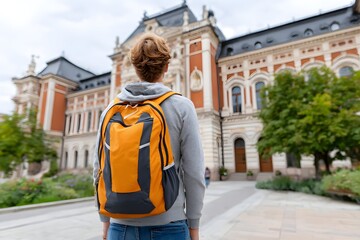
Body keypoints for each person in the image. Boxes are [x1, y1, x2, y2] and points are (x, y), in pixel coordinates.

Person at [93, 32, 205, 240]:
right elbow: (194, 174)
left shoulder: (110, 110)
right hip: (169, 224)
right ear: (166, 67)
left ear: (135, 68)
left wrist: (105, 224)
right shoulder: (181, 106)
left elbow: (99, 170)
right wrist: (194, 227)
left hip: (119, 226)